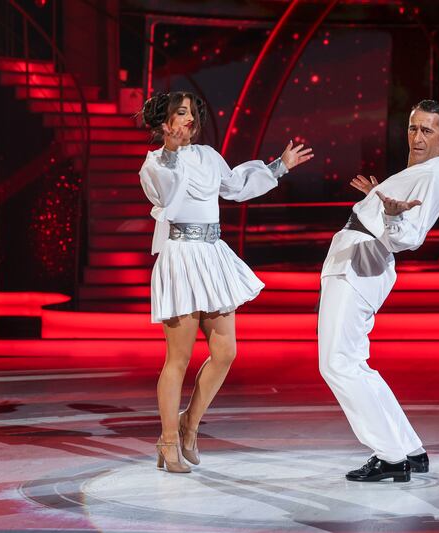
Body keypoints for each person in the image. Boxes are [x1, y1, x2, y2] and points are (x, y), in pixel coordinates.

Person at [139, 91, 313, 473]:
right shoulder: (154, 164)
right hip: (182, 259)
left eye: (191, 113)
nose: (189, 119)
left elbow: (235, 186)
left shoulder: (207, 155)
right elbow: (165, 194)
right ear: (164, 123)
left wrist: (279, 167)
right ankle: (167, 442)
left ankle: (189, 425)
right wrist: (169, 150)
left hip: (213, 255)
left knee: (226, 352)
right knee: (179, 358)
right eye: (180, 114)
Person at [318, 99, 439, 482]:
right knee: (353, 363)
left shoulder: (430, 177)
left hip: (359, 266)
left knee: (336, 364)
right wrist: (376, 199)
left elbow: (410, 237)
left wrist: (389, 214)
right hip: (355, 260)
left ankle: (391, 456)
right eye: (413, 128)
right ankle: (408, 448)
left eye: (427, 130)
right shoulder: (420, 172)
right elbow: (394, 218)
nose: (417, 137)